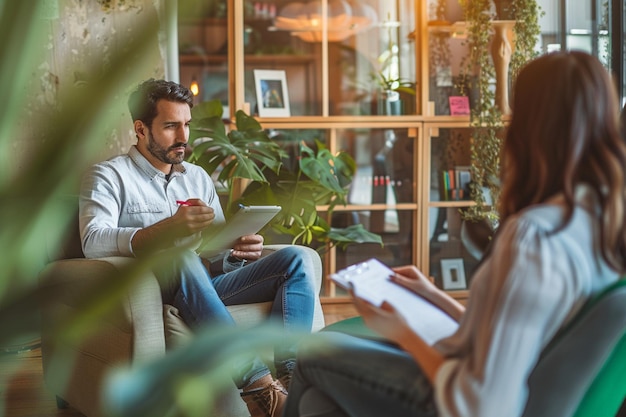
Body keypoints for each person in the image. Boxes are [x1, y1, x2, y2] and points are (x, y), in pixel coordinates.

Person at [282, 51, 626, 417]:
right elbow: (521, 337)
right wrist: (434, 296)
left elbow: (482, 404)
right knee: (315, 403)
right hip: (520, 391)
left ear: (529, 125)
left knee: (315, 352)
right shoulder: (600, 219)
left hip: (462, 404)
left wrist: (403, 333)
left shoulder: (536, 237)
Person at [79, 78, 317, 417]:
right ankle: (258, 387)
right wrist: (166, 230)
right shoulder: (108, 176)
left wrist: (237, 250)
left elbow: (213, 250)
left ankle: (293, 383)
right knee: (177, 257)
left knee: (294, 260)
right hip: (145, 290)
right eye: (171, 126)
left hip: (201, 283)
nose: (183, 137)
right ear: (141, 129)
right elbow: (92, 241)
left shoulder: (197, 178)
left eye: (186, 125)